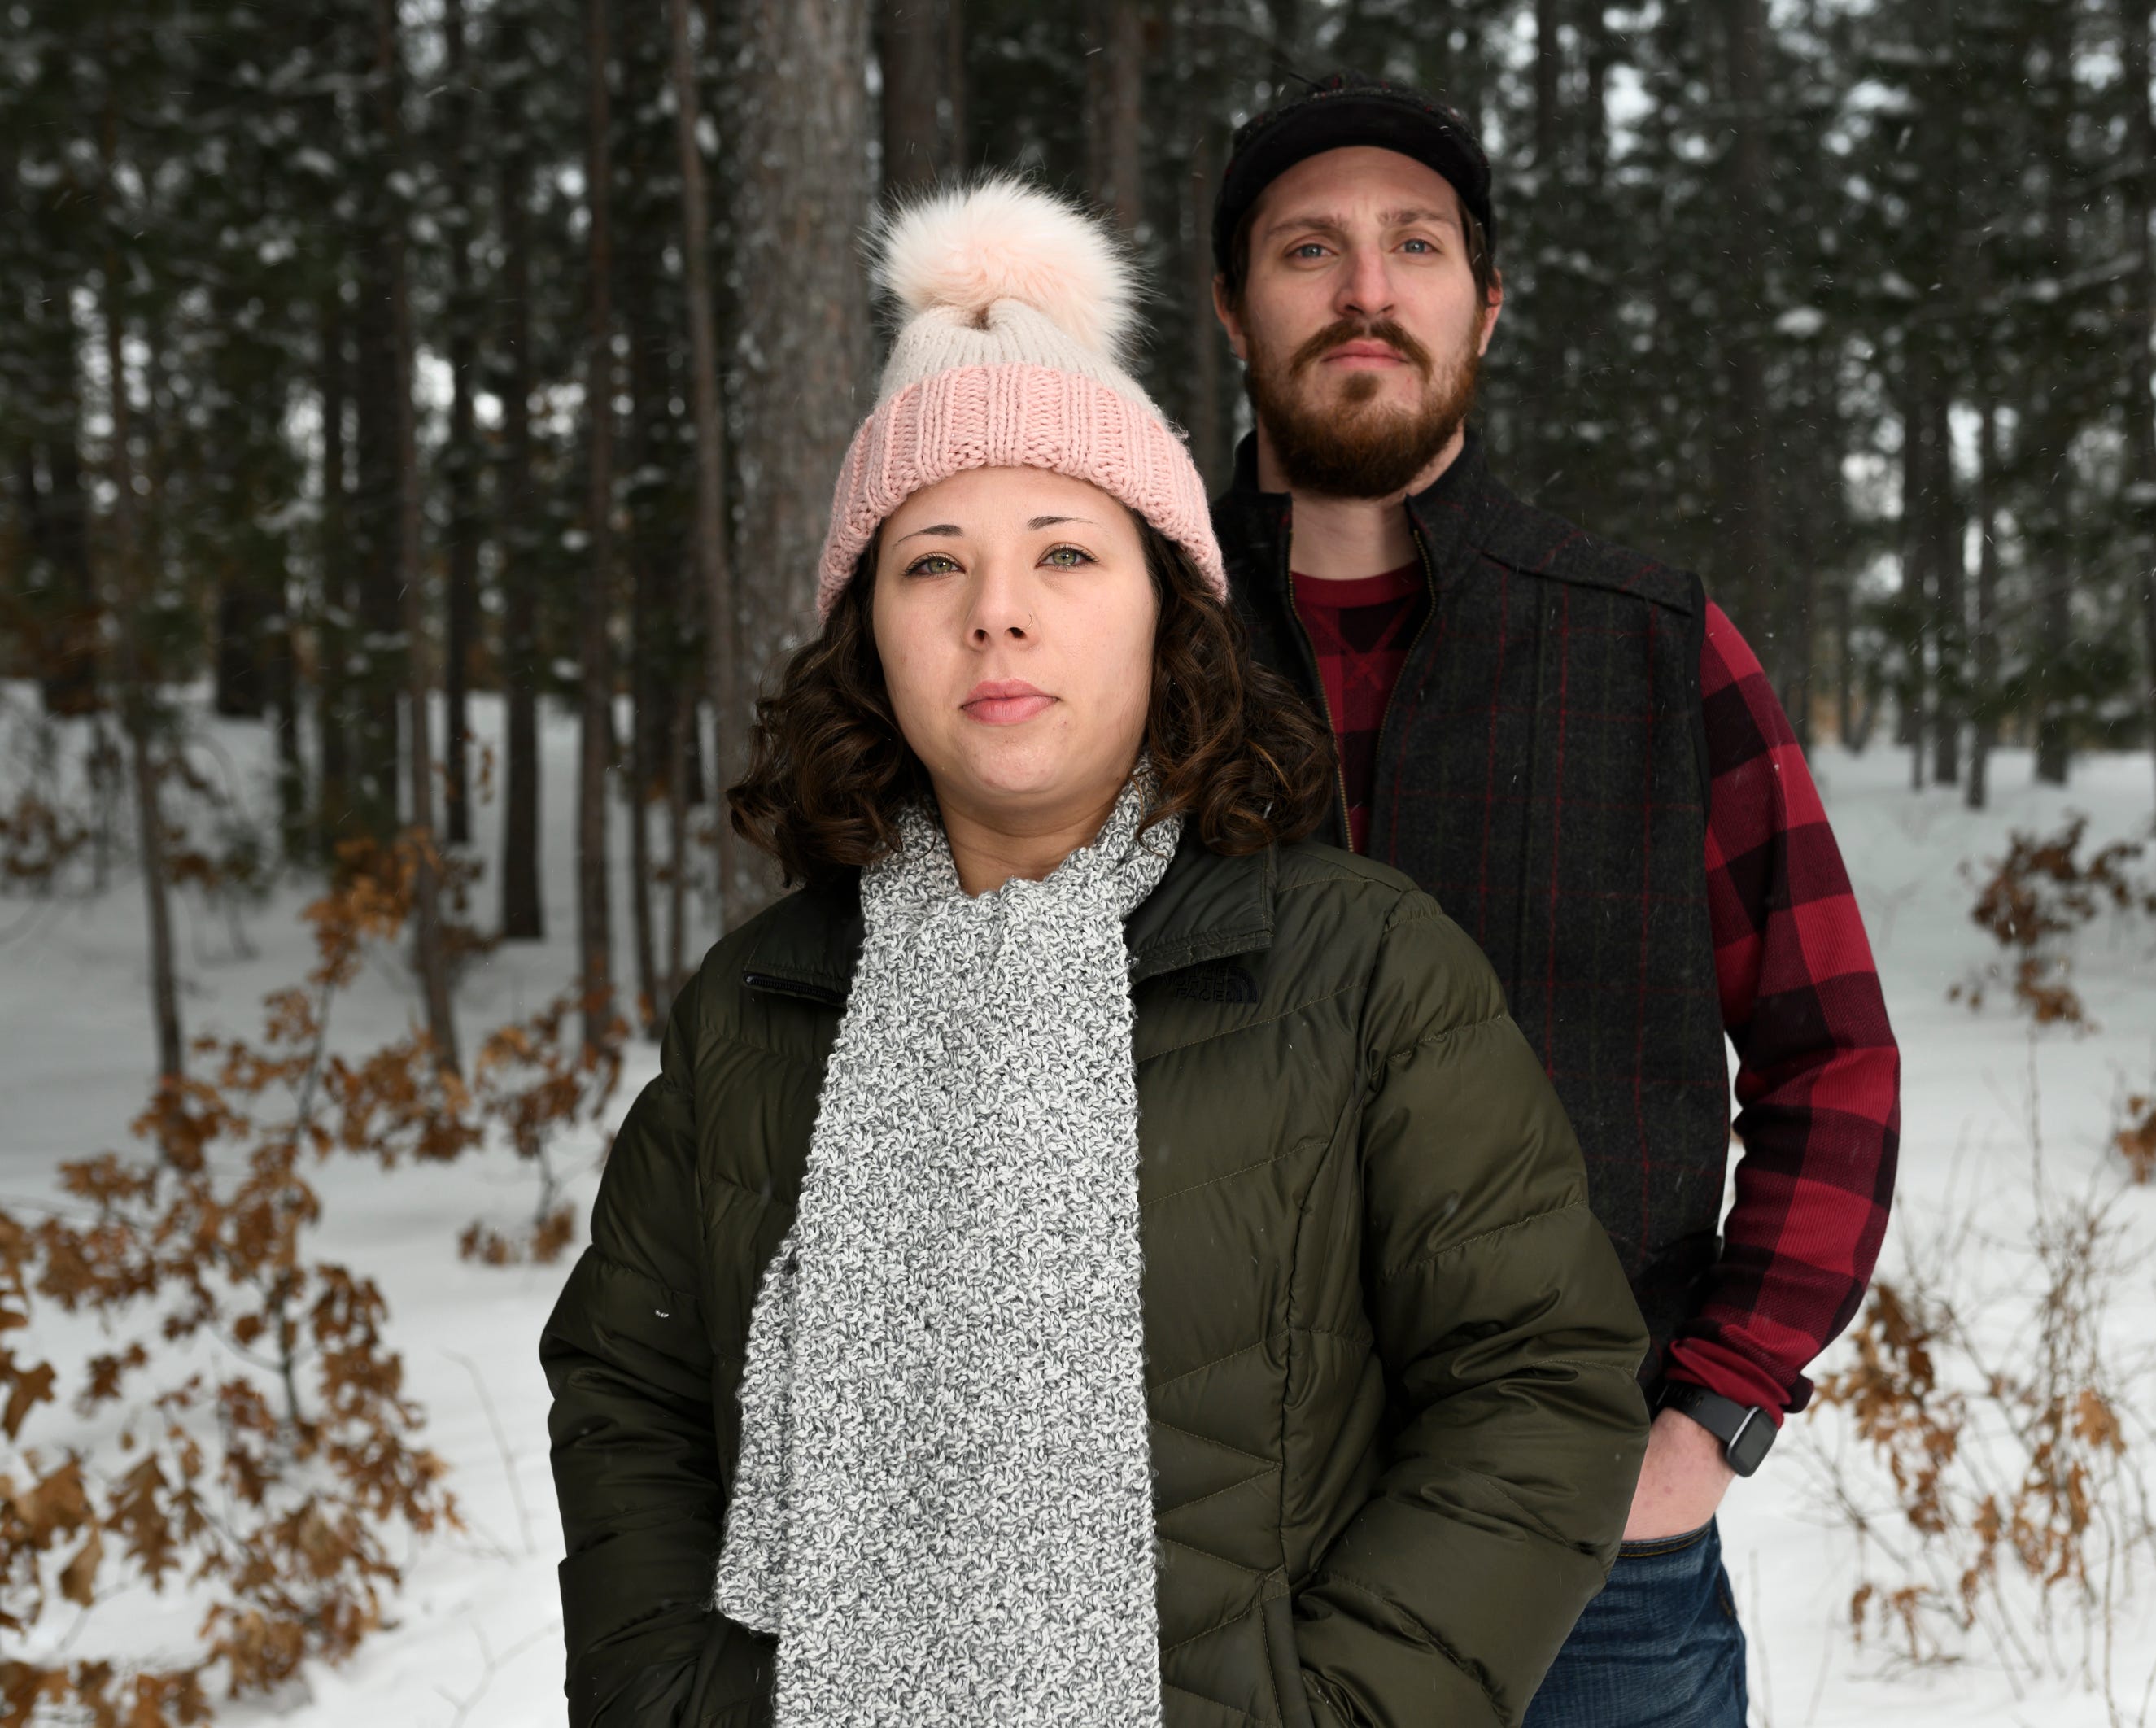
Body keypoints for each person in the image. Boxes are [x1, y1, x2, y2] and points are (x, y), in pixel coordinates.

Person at [541, 177, 1652, 1728]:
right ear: (869, 633)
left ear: (1164, 617)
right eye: (932, 563)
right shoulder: (763, 1000)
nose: (998, 615)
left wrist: (1338, 1710)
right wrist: (680, 1696)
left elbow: (1539, 1383)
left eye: (1066, 555)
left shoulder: (1361, 967)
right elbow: (632, 1390)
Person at [1202, 75, 1905, 1728]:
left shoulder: (1651, 648)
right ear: (1235, 307)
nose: (1366, 286)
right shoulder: (1112, 642)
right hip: (1207, 1556)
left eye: (1416, 244)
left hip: (1591, 1562)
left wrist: (1713, 1417)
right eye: (1310, 248)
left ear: (1484, 307)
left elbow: (1834, 1060)